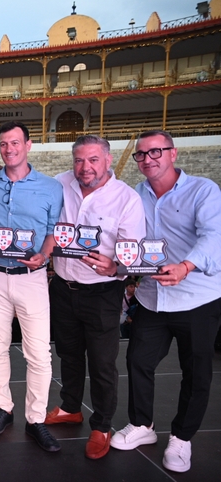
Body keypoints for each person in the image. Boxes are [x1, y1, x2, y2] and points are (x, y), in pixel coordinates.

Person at [109, 130, 221, 473]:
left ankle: (182, 438)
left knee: (196, 373)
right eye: (141, 154)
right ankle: (142, 424)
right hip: (153, 297)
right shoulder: (134, 195)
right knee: (138, 361)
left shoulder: (203, 190)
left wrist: (186, 266)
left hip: (197, 297)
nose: (148, 159)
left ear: (173, 153)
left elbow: (214, 235)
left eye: (156, 151)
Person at [42, 135, 146, 460]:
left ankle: (101, 425)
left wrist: (116, 267)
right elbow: (25, 182)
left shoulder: (127, 199)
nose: (85, 167)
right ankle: (71, 407)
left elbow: (133, 253)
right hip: (63, 287)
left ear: (108, 160)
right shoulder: (59, 184)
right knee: (69, 354)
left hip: (102, 292)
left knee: (102, 363)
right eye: (79, 160)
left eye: (93, 160)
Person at [0, 121, 63, 452]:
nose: (9, 149)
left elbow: (53, 230)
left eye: (15, 143)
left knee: (38, 352)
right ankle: (4, 407)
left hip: (32, 277)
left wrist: (44, 255)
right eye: (3, 144)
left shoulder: (50, 187)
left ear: (28, 145)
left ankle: (36, 418)